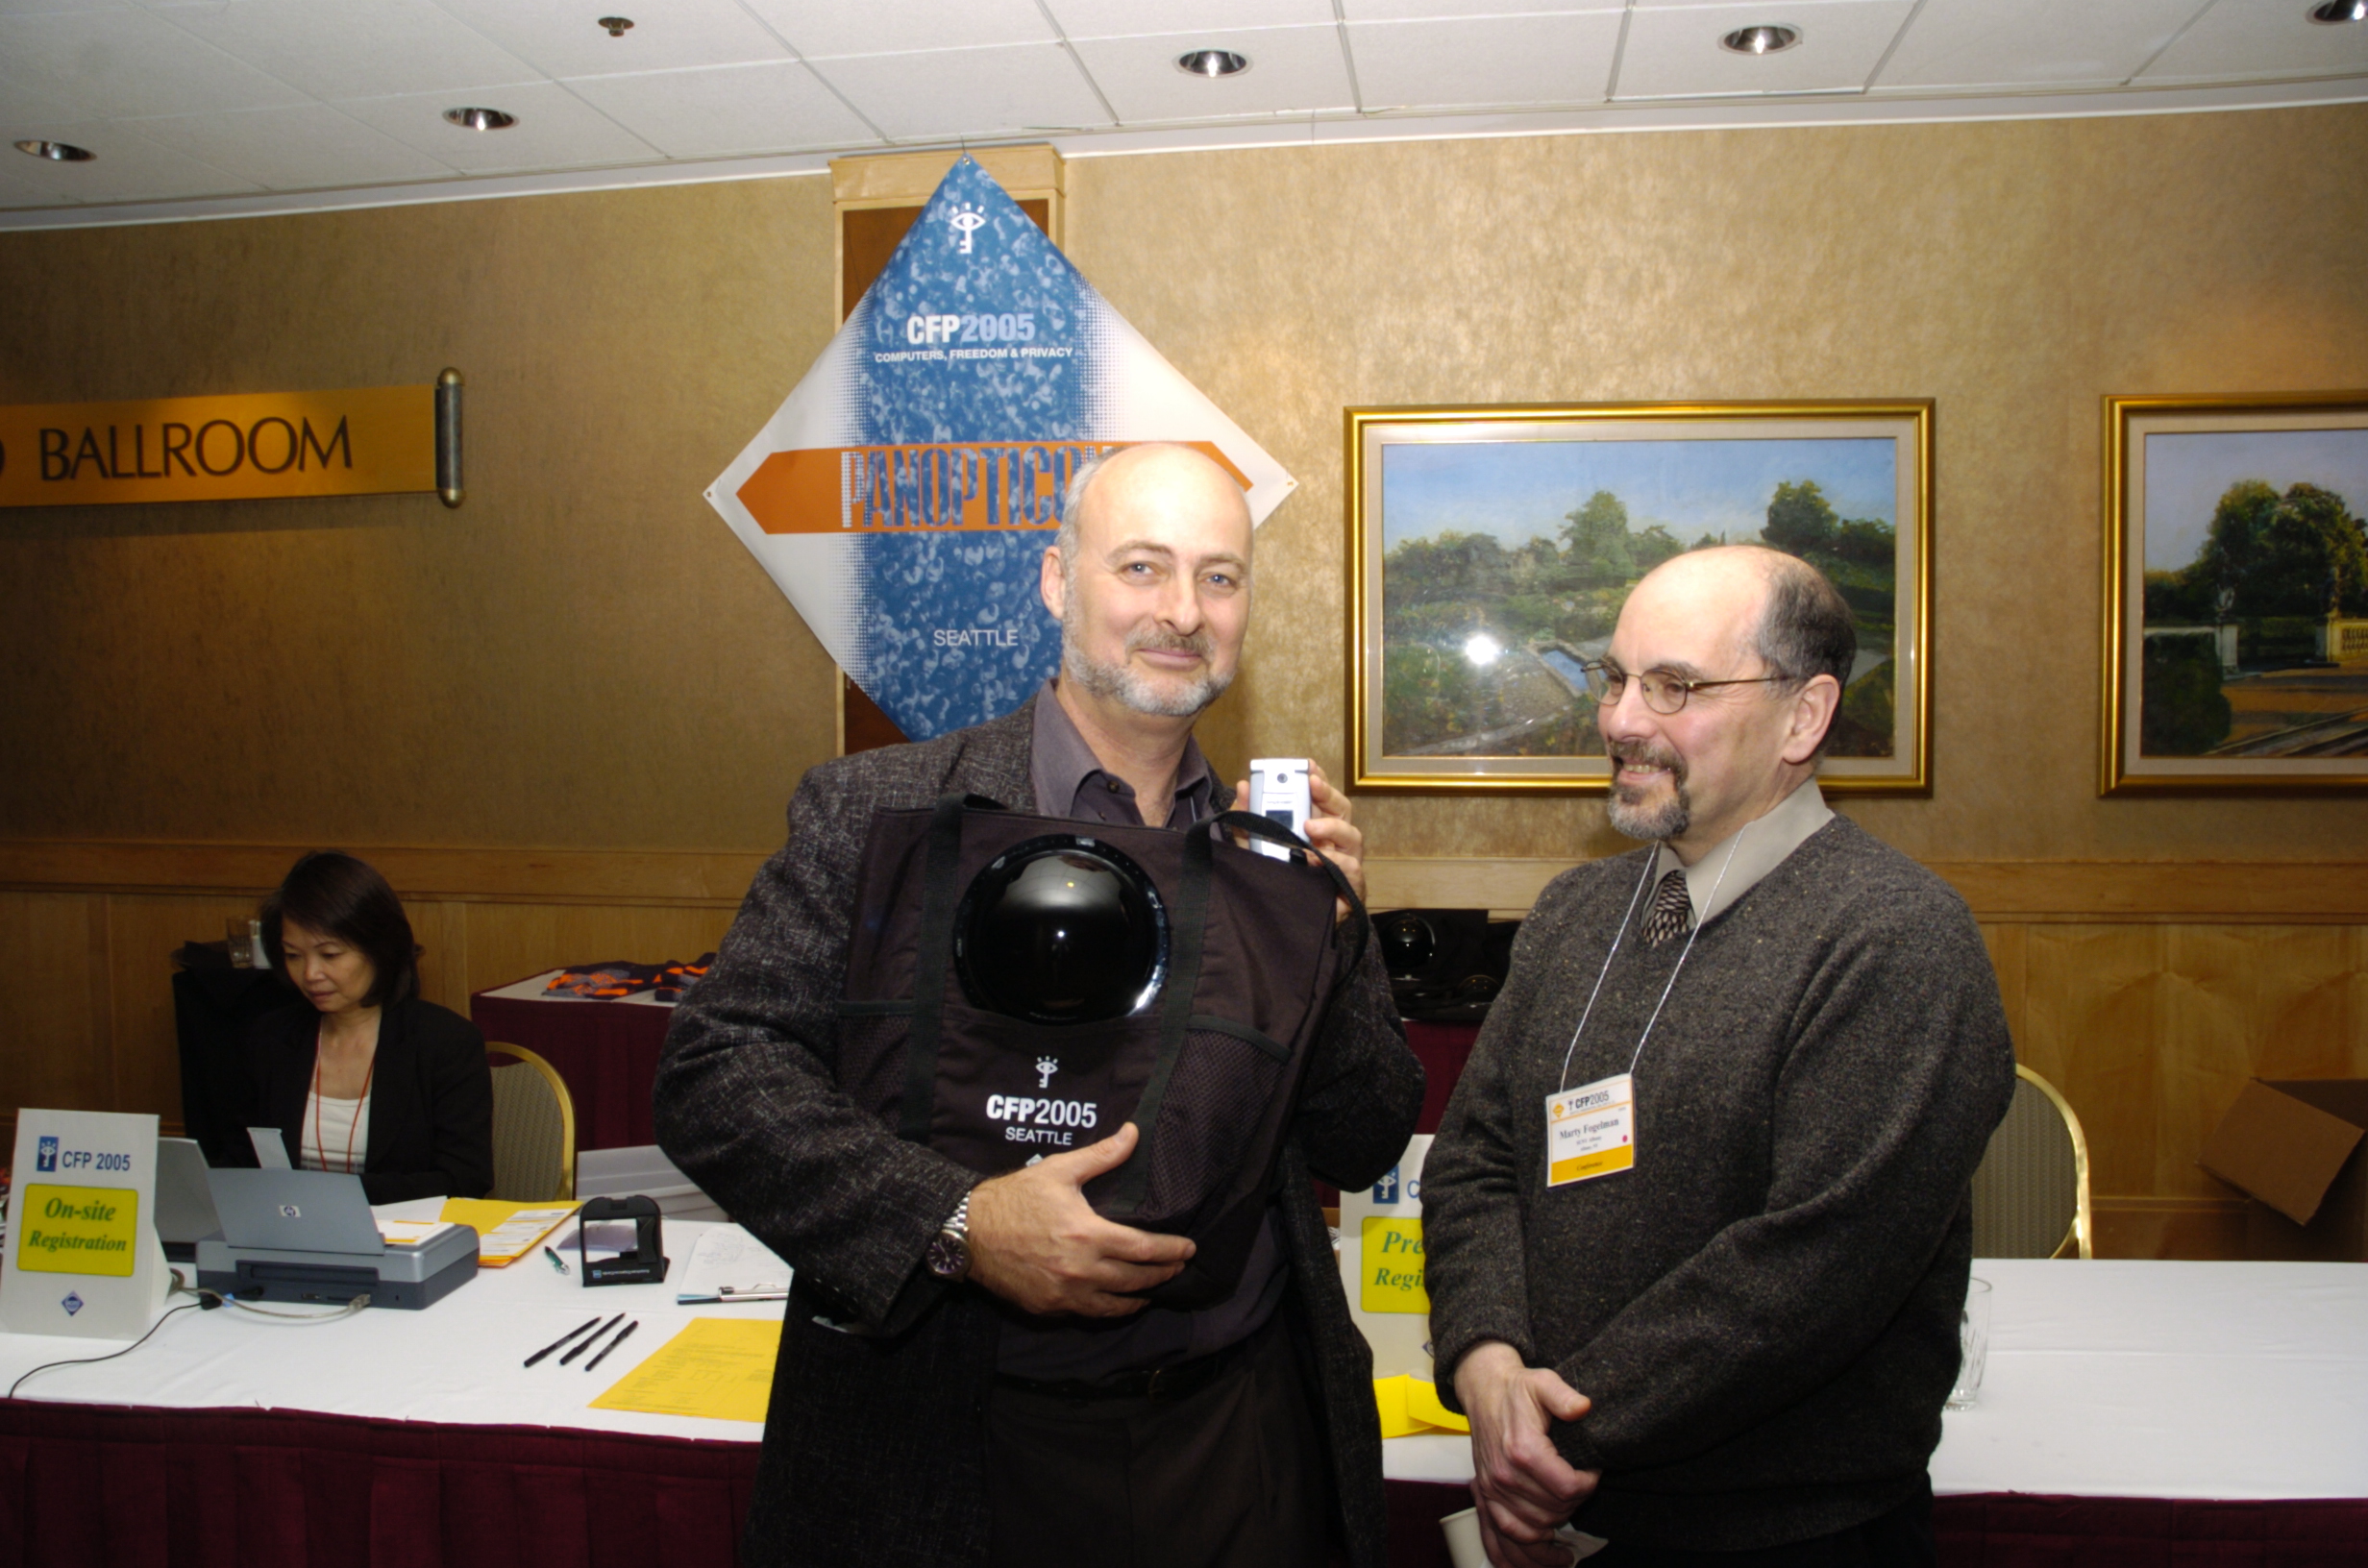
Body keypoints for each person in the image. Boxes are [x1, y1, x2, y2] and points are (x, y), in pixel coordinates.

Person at [655, 442, 1424, 1568]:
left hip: (1239, 1443)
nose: (1183, 611)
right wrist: (957, 1224)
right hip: (953, 1446)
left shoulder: (1269, 856)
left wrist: (1331, 934)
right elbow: (716, 1070)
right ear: (1058, 581)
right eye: (1142, 567)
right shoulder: (883, 812)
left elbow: (1362, 1138)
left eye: (1219, 577)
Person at [1421, 547, 2015, 1567]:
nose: (1620, 720)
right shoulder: (1575, 913)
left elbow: (1813, 1268)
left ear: (1803, 717)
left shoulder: (1897, 940)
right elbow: (1475, 1161)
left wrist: (1551, 1432)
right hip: (1560, 1501)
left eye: (1674, 686)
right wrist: (1484, 1364)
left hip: (1787, 1537)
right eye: (1614, 678)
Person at [240, 850, 494, 1204]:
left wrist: (333, 1197)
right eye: (293, 955)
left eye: (330, 955)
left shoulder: (445, 1042)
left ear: (378, 948)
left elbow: (463, 1179)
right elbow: (237, 1164)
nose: (310, 974)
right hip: (290, 1229)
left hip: (404, 1232)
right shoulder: (270, 1037)